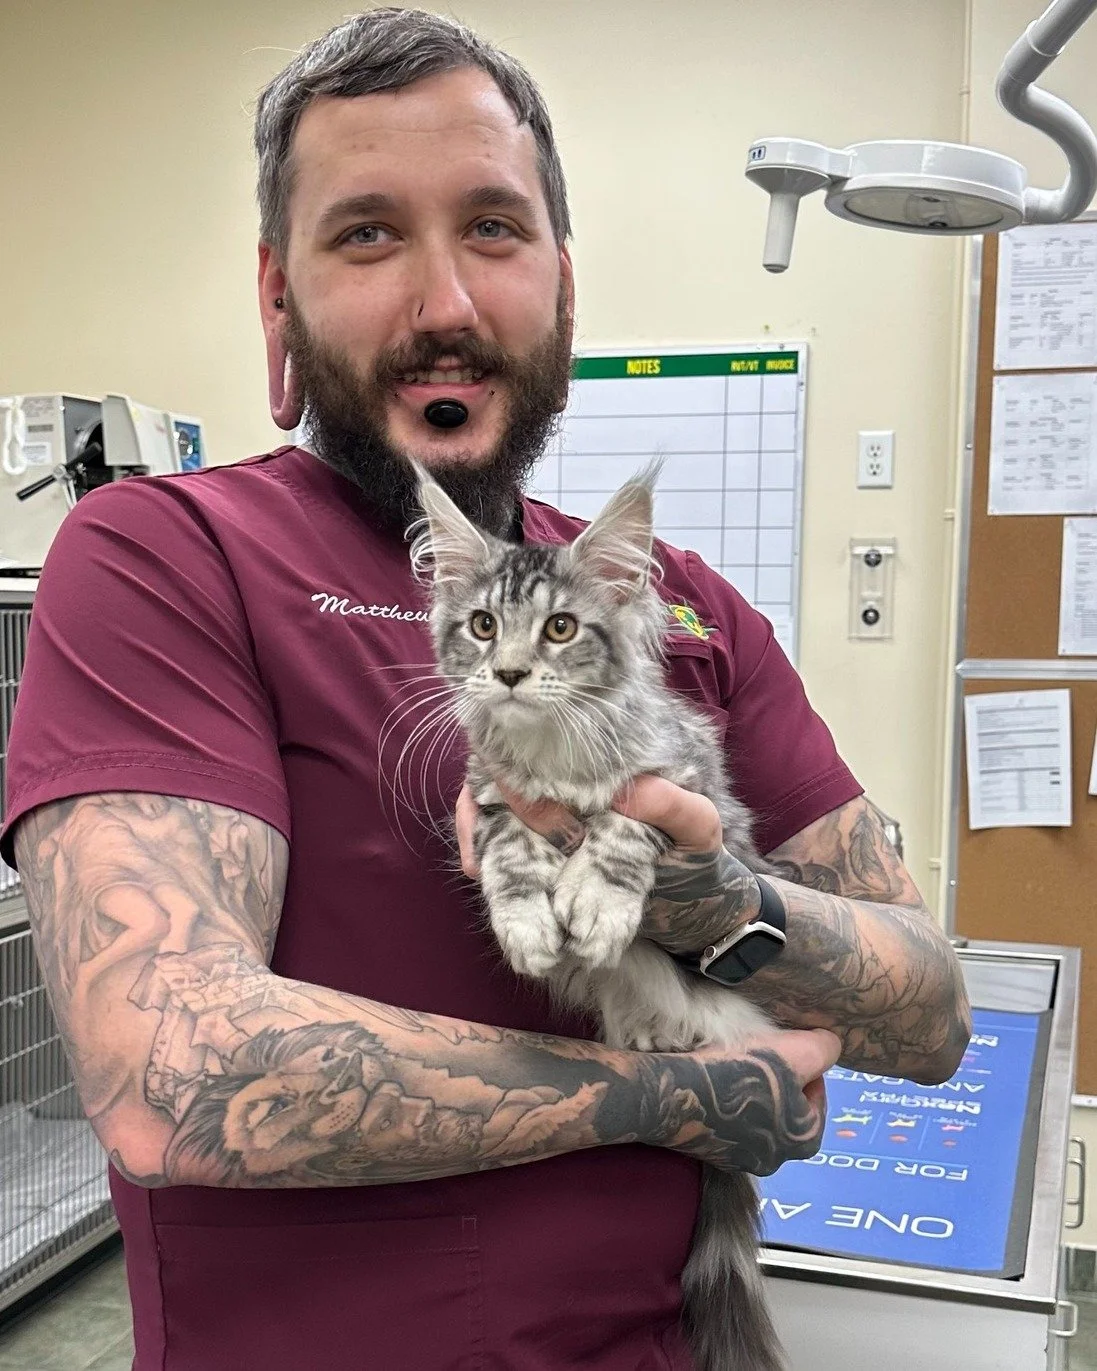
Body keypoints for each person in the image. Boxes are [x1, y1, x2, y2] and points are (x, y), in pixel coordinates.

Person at [0, 10, 971, 1369]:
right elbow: (170, 1070)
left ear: (563, 287)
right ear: (278, 298)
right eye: (369, 234)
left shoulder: (671, 601)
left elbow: (931, 1008)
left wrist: (719, 902)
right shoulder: (167, 559)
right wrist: (668, 1097)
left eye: (495, 230)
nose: (445, 303)